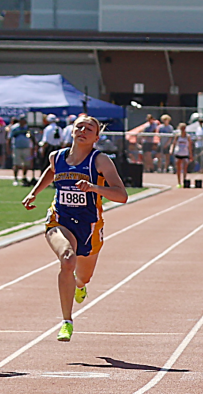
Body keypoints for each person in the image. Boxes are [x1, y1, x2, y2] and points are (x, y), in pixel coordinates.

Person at [22, 115, 128, 342]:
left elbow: (121, 195)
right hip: (60, 219)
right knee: (68, 259)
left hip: (89, 225)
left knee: (84, 276)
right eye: (79, 126)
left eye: (89, 128)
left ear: (96, 137)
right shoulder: (57, 157)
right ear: (71, 130)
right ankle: (66, 321)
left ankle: (79, 285)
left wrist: (93, 187)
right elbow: (52, 171)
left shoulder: (100, 161)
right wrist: (35, 192)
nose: (83, 130)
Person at [9, 118, 33, 186]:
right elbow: (9, 138)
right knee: (16, 164)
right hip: (17, 147)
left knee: (26, 164)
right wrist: (8, 148)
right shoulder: (14, 128)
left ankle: (24, 177)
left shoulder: (27, 128)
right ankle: (15, 178)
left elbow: (31, 137)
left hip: (26, 147)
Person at [171, 122, 193, 188]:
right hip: (178, 153)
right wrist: (171, 150)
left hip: (185, 153)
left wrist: (191, 154)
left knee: (185, 168)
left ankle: (184, 181)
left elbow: (189, 146)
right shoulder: (177, 136)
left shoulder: (187, 136)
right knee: (178, 168)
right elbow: (174, 144)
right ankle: (179, 182)